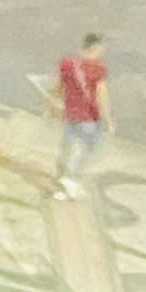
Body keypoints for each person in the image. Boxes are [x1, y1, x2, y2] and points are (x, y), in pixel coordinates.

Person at [55, 31, 110, 196]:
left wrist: (53, 106)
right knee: (89, 150)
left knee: (68, 148)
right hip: (89, 118)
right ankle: (71, 180)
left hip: (71, 115)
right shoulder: (98, 70)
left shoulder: (67, 64)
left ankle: (61, 177)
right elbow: (101, 96)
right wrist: (108, 119)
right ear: (97, 48)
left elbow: (56, 87)